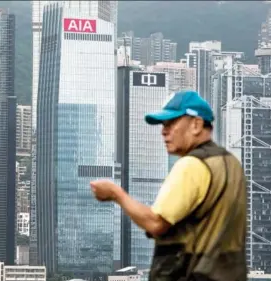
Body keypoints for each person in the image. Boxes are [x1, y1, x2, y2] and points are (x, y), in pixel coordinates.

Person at [90, 91, 247, 281]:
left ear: (196, 124)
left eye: (171, 123)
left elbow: (156, 223)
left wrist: (116, 194)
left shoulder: (192, 165)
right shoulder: (232, 164)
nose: (164, 131)